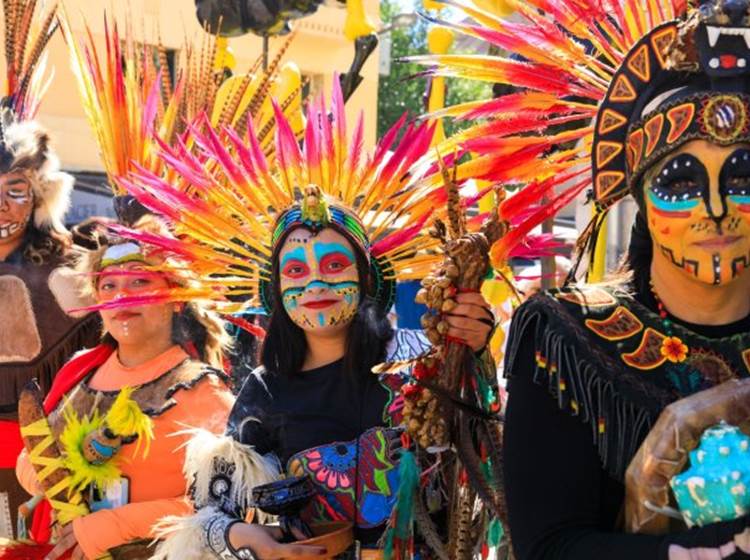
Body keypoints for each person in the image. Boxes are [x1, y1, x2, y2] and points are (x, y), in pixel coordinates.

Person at [109, 83, 501, 559]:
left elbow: (488, 441)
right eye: (296, 271)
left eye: (335, 265)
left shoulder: (421, 359)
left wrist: (475, 351)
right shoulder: (265, 389)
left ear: (368, 280)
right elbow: (212, 511)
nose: (315, 284)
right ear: (277, 293)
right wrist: (250, 539)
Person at [421, 0, 750, 557]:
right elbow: (550, 547)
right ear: (640, 196)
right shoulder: (567, 338)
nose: (714, 208)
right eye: (680, 182)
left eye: (742, 176)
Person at [12, 220, 235, 560]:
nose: (121, 296)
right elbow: (32, 451)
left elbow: (230, 506)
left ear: (176, 299)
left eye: (140, 281)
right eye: (109, 285)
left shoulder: (205, 392)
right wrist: (49, 479)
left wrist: (109, 526)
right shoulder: (80, 369)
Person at [0, 0, 101, 539]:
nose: (3, 209)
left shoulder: (67, 266)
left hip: (44, 453)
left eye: (16, 193)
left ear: (37, 195)